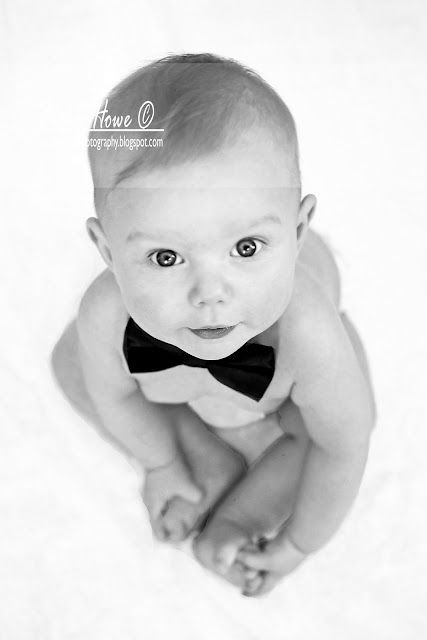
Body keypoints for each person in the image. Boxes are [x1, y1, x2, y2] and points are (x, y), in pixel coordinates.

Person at [51, 53, 377, 597]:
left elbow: (341, 450)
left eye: (246, 248)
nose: (210, 295)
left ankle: (235, 519)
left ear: (297, 231)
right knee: (70, 362)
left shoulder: (308, 334)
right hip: (168, 378)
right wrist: (160, 464)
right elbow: (115, 398)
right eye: (165, 257)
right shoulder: (107, 312)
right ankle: (198, 458)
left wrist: (296, 545)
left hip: (280, 372)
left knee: (346, 422)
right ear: (108, 250)